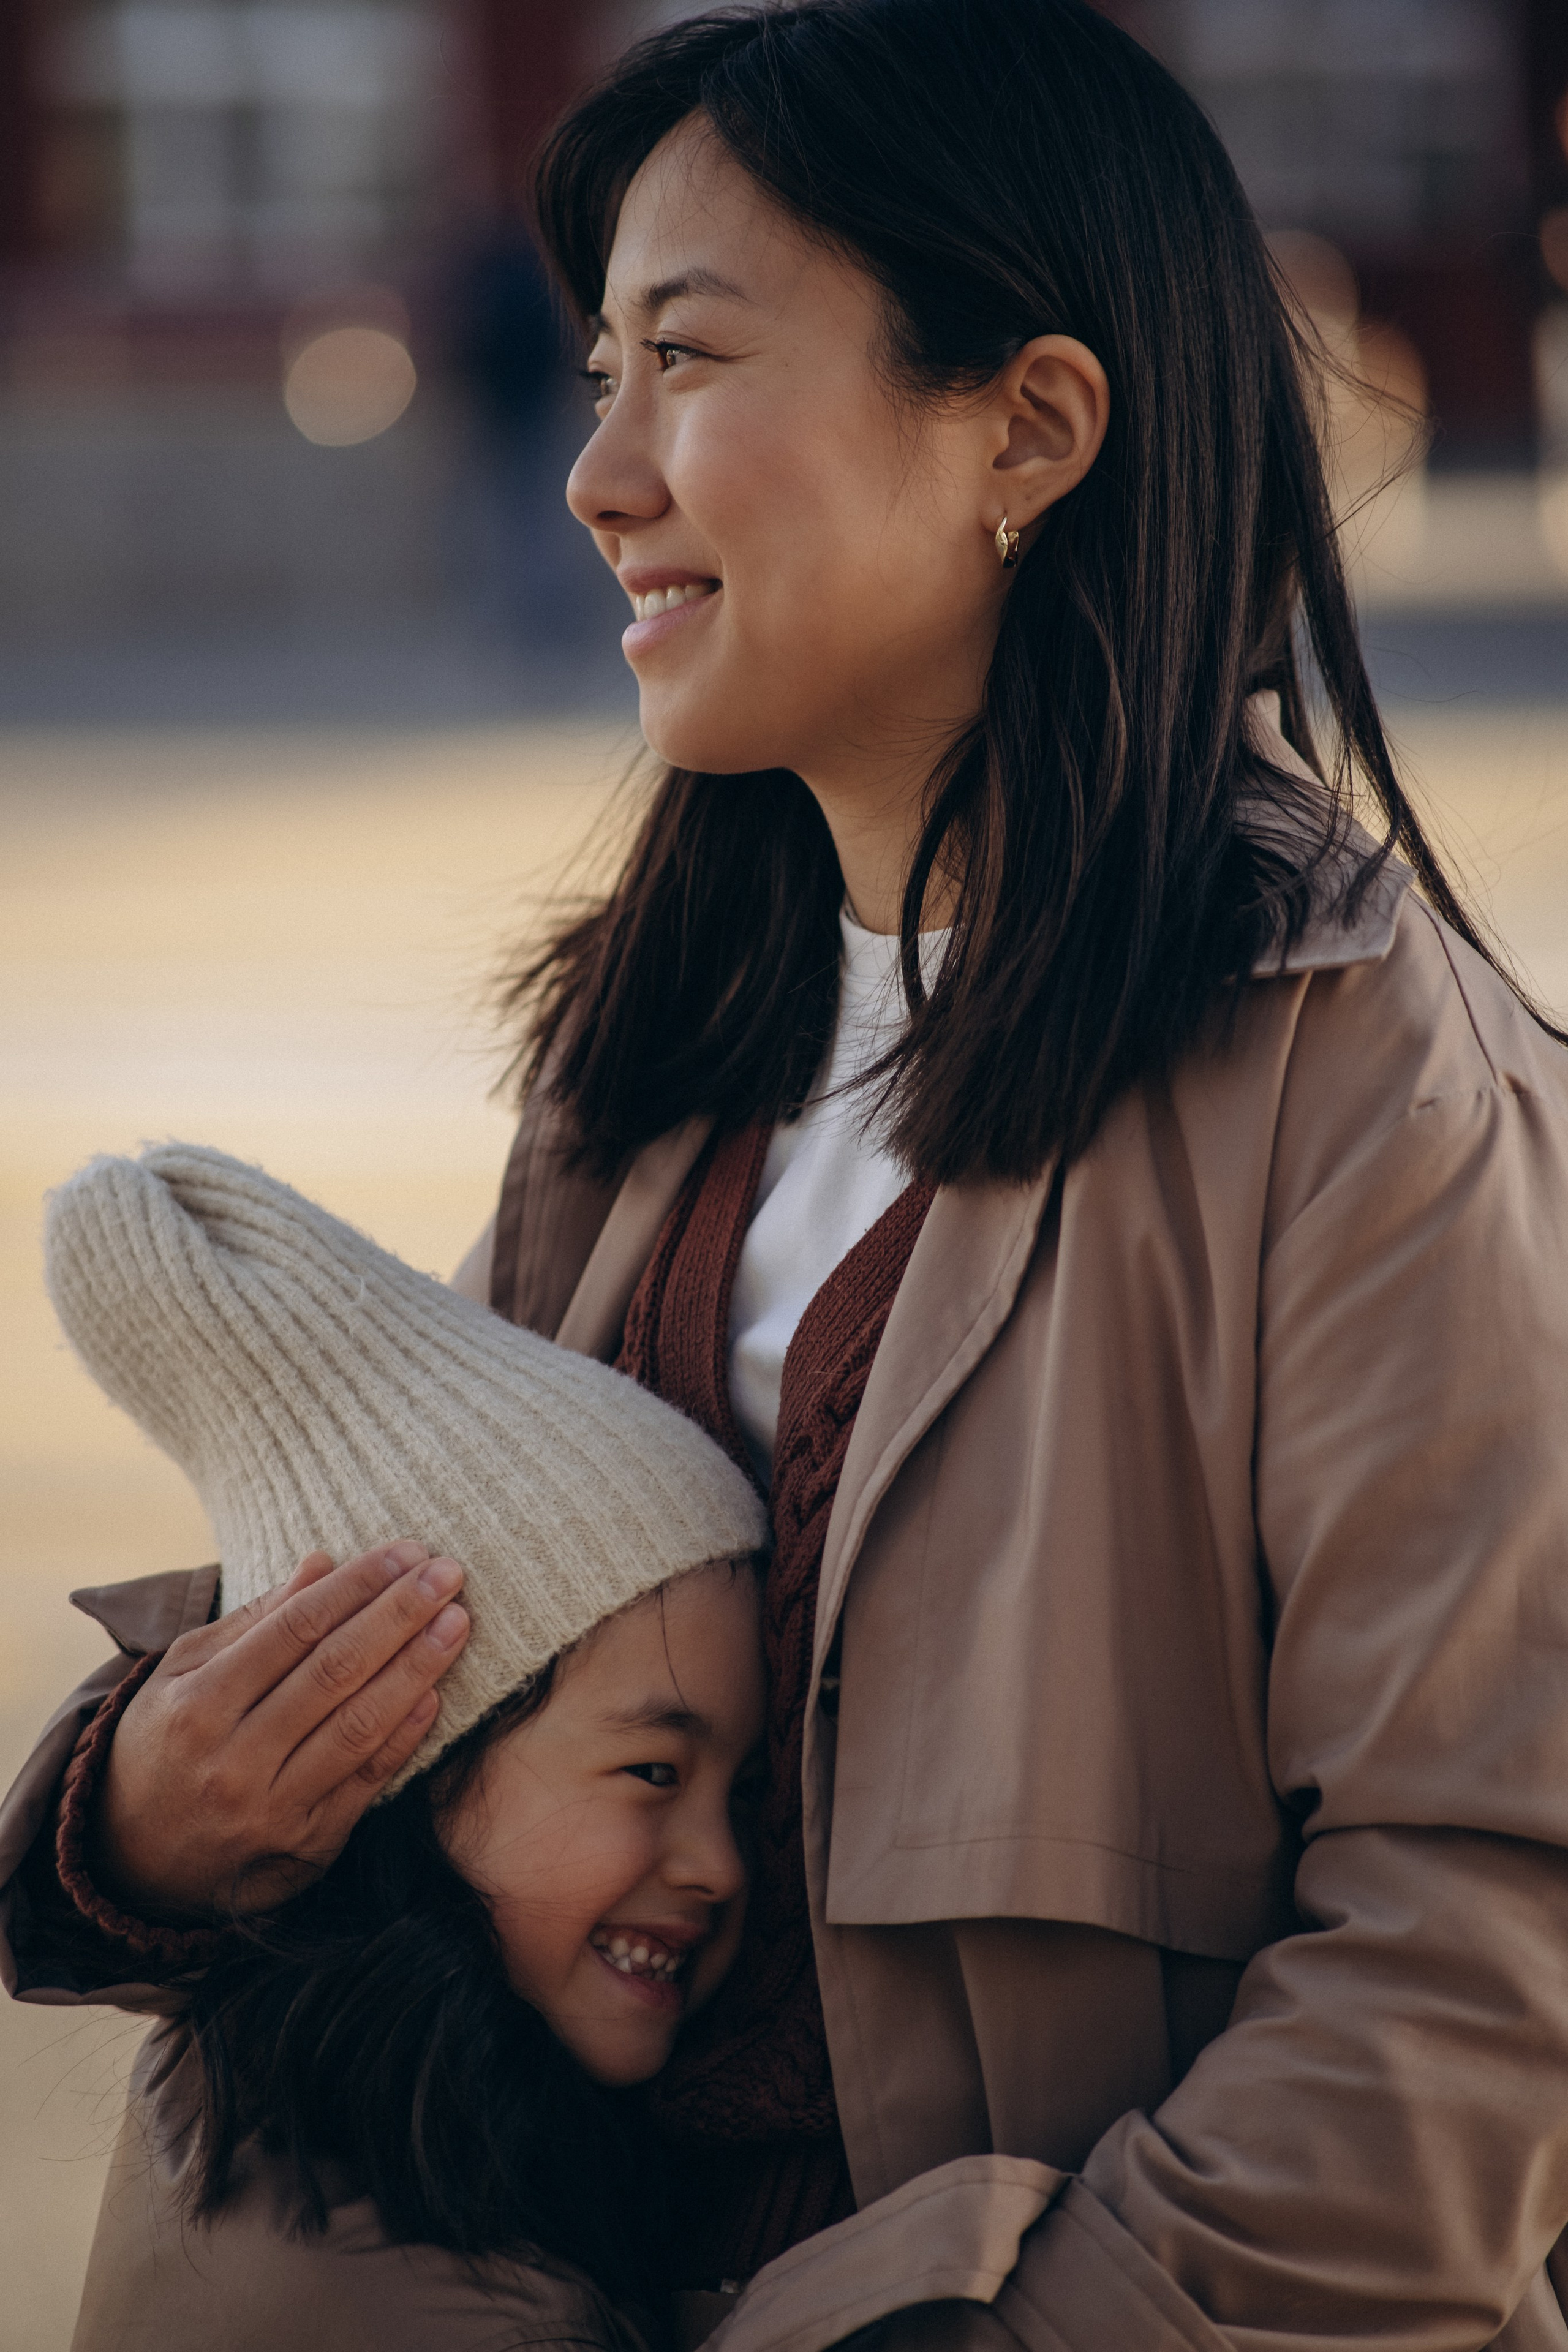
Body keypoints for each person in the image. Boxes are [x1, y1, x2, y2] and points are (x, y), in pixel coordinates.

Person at [7, 2, 1568, 2343]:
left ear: (1025, 433)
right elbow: (424, 1631)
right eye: (596, 369)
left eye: (687, 362)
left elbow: (1482, 1938)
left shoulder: (1355, 1084)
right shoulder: (652, 1060)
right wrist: (140, 1816)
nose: (592, 471)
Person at [40, 1145, 1053, 2352]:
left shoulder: (319, 2128)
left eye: (737, 1796)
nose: (722, 1868)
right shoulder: (434, 2306)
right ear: (388, 1760)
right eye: (653, 1775)